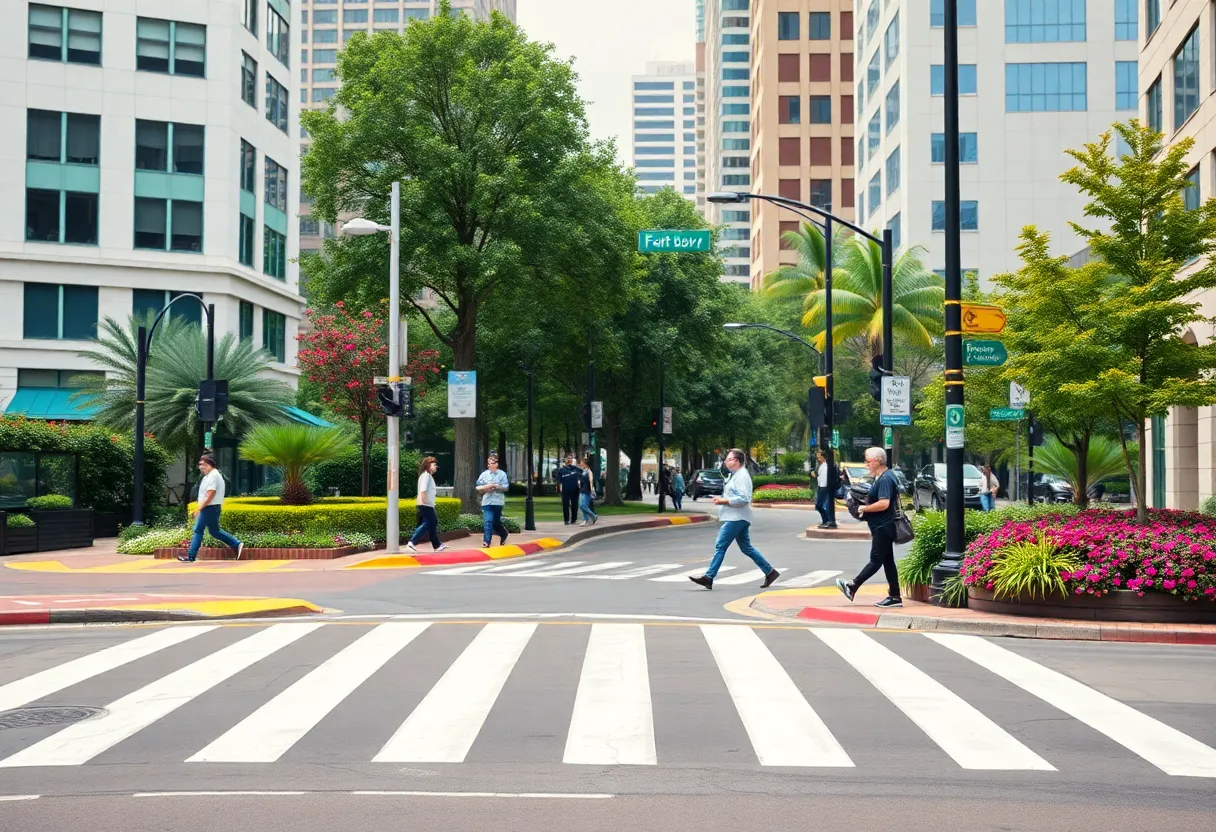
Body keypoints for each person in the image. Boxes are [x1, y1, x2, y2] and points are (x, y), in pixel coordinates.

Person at [690, 449, 780, 590]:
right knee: (746, 548)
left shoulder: (742, 476)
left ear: (737, 461)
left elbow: (744, 498)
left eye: (729, 459)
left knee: (721, 546)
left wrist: (723, 501)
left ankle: (709, 577)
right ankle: (770, 572)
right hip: (738, 517)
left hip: (736, 518)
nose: (726, 462)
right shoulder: (736, 475)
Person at [836, 447, 903, 608]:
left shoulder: (886, 478)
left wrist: (864, 508)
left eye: (868, 461)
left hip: (883, 526)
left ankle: (853, 586)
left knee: (876, 560)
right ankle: (894, 596)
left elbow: (884, 503)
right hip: (882, 526)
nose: (867, 464)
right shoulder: (883, 476)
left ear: (878, 461)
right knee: (887, 562)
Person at [178, 454, 244, 563]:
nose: (200, 467)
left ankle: (190, 556)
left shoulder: (214, 476)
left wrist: (199, 509)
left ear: (209, 465)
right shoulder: (209, 476)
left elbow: (210, 494)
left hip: (209, 508)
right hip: (211, 507)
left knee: (198, 530)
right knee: (214, 531)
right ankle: (236, 544)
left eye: (202, 464)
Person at [407, 456, 449, 554]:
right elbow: (423, 491)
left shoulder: (426, 475)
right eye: (434, 465)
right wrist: (425, 502)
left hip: (426, 504)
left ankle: (437, 545)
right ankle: (412, 542)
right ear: (428, 465)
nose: (436, 467)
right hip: (426, 504)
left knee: (431, 524)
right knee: (428, 523)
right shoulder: (426, 476)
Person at [475, 454, 510, 548]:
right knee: (488, 521)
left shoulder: (502, 474)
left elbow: (506, 487)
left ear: (496, 464)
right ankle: (486, 542)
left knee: (496, 523)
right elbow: (478, 486)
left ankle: (503, 533)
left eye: (491, 463)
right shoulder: (484, 474)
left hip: (498, 501)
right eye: (488, 463)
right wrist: (486, 488)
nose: (489, 465)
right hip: (487, 502)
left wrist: (497, 487)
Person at [555, 455, 582, 525]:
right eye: (568, 459)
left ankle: (574, 519)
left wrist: (579, 483)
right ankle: (566, 520)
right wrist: (559, 488)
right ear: (565, 460)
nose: (569, 460)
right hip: (565, 490)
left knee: (574, 505)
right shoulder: (561, 470)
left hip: (575, 490)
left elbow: (582, 475)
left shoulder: (576, 469)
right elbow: (558, 480)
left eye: (571, 459)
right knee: (565, 504)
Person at [814, 450, 837, 529]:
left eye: (820, 457)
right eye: (818, 457)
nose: (818, 459)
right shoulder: (820, 465)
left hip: (826, 487)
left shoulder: (829, 466)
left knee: (820, 505)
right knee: (818, 506)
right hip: (820, 487)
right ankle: (825, 521)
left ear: (824, 457)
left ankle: (828, 521)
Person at [577, 455, 599, 526]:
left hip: (587, 490)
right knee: (581, 505)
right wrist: (579, 483)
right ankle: (585, 519)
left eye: (581, 463)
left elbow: (591, 480)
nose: (580, 464)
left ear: (585, 464)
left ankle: (593, 516)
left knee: (584, 505)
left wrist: (592, 489)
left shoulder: (589, 471)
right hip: (582, 489)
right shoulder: (583, 471)